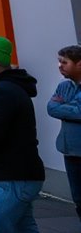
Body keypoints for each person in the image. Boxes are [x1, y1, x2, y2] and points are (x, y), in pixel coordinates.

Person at [0, 36, 45, 233]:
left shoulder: (2, 92)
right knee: (24, 228)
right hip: (21, 174)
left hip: (11, 175)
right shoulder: (9, 88)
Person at [50, 44, 81, 223]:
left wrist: (65, 108)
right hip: (69, 151)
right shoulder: (64, 87)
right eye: (59, 62)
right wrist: (73, 108)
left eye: (65, 62)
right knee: (78, 199)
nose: (60, 66)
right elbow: (51, 108)